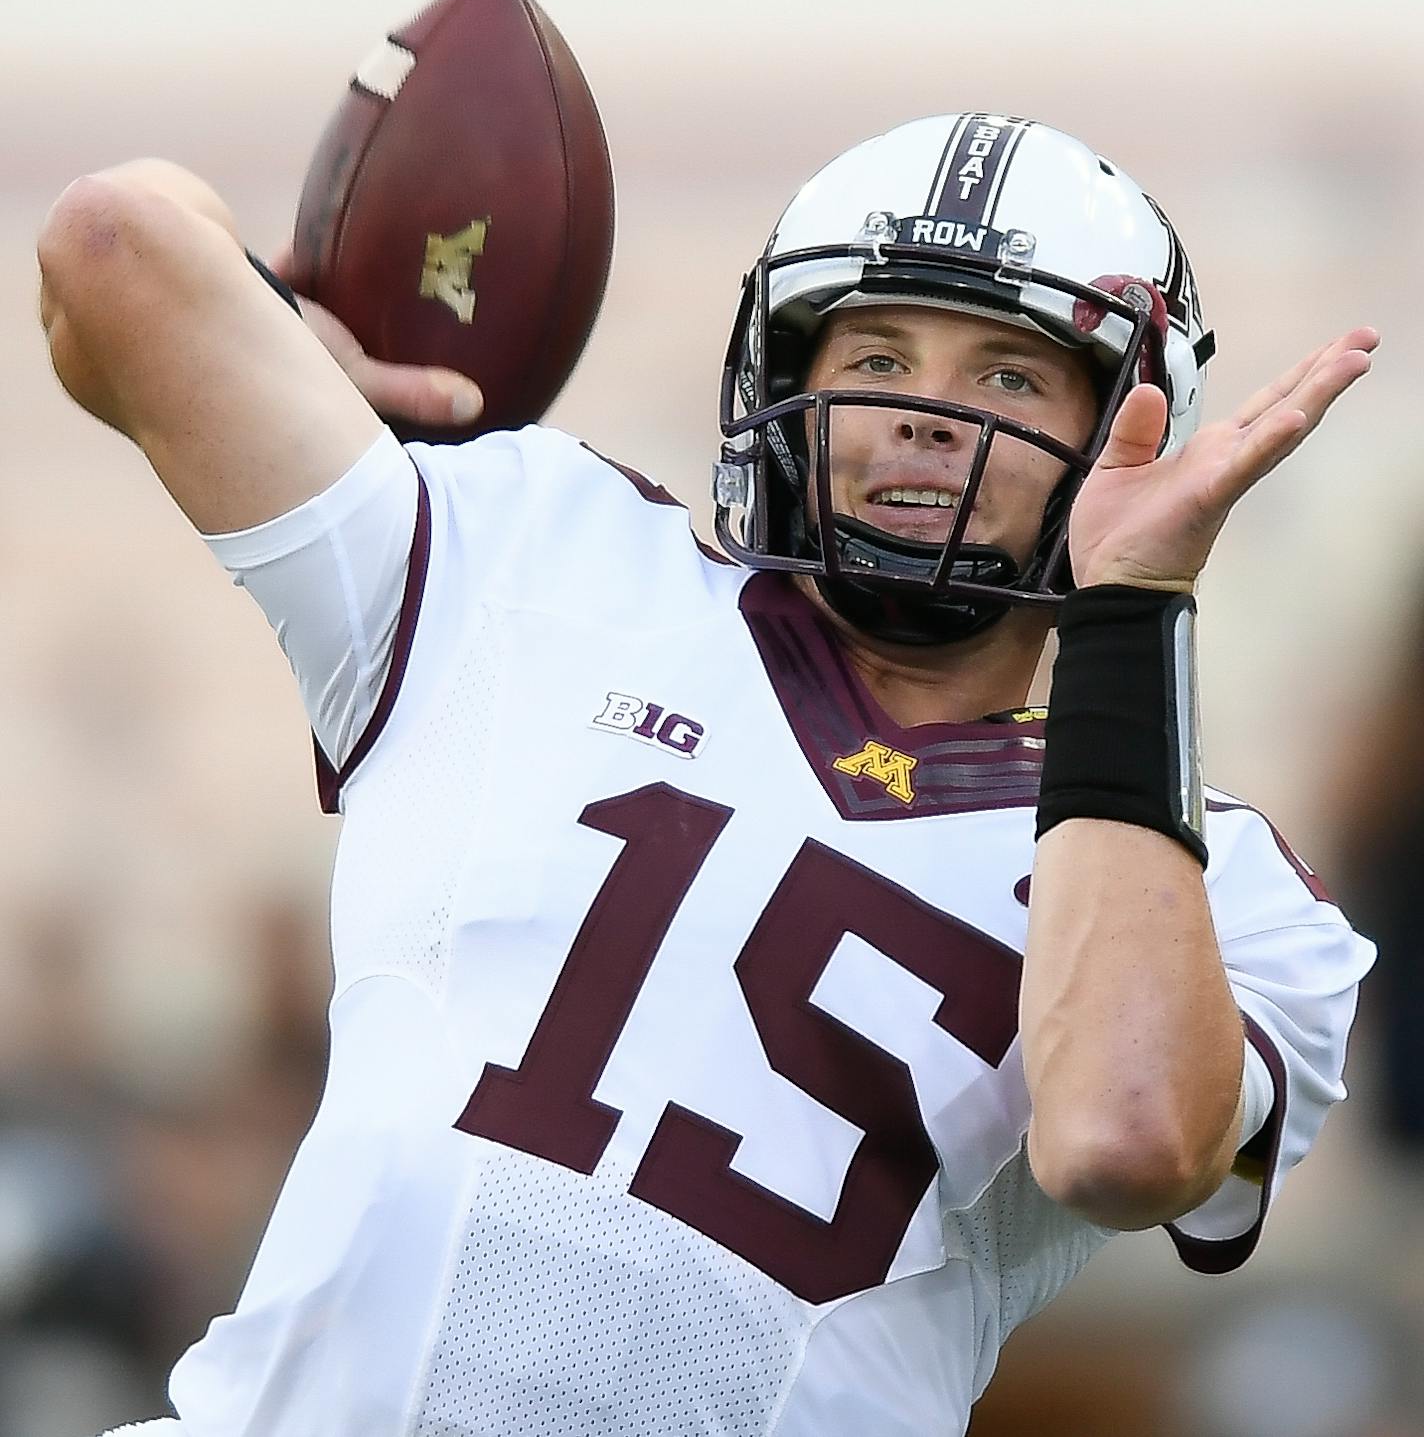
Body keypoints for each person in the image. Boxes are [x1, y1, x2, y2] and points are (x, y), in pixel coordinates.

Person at [38, 114, 1376, 1437]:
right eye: (879, 351)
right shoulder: (537, 555)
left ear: (1123, 431)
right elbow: (113, 245)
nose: (922, 414)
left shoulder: (1224, 888)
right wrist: (312, 310)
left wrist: (1131, 621)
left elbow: (1123, 1137)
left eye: (1007, 379)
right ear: (788, 371)